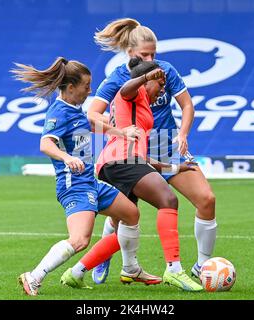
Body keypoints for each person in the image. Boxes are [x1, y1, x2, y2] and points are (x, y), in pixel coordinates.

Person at [11, 56, 161, 296]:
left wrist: (119, 132)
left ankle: (131, 268)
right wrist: (67, 157)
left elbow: (89, 123)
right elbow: (45, 144)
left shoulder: (74, 108)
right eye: (86, 86)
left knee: (131, 213)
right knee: (80, 240)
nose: (89, 91)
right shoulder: (58, 112)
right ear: (71, 88)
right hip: (74, 186)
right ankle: (34, 276)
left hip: (90, 182)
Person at [88, 18, 217, 282]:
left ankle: (202, 268)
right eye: (144, 54)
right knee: (121, 215)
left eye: (153, 53)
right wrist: (118, 130)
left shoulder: (165, 71)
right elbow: (93, 114)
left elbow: (187, 105)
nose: (150, 58)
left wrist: (182, 134)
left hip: (165, 144)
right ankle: (104, 258)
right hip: (132, 152)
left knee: (207, 199)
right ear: (130, 53)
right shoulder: (118, 78)